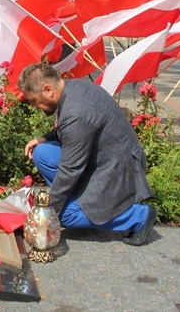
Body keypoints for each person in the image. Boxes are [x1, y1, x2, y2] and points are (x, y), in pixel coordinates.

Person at [18, 63, 156, 245]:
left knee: (65, 215)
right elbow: (72, 132)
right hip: (105, 158)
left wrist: (47, 214)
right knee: (42, 153)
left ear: (48, 90)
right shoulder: (74, 87)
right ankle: (82, 201)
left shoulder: (76, 113)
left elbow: (70, 170)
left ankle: (138, 216)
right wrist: (44, 138)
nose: (36, 106)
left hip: (118, 171)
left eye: (35, 101)